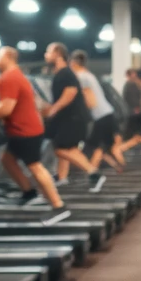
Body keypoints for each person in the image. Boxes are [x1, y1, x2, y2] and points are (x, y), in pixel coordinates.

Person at [0, 45, 65, 209]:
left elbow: (7, 107)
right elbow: (11, 104)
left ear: (8, 57)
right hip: (25, 128)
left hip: (24, 130)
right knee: (7, 159)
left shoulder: (8, 77)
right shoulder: (17, 75)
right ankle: (29, 192)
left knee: (35, 166)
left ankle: (57, 204)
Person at [42, 42, 98, 186]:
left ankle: (93, 172)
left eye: (48, 52)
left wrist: (53, 109)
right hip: (71, 118)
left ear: (57, 54)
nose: (45, 55)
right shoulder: (62, 73)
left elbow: (70, 93)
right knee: (65, 146)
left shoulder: (65, 72)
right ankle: (62, 177)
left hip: (74, 119)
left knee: (62, 149)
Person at [70, 49, 114, 191]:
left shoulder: (81, 76)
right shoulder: (88, 74)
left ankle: (95, 177)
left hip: (100, 115)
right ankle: (94, 175)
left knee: (92, 146)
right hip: (106, 113)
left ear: (74, 62)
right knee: (97, 147)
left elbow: (91, 101)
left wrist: (77, 112)